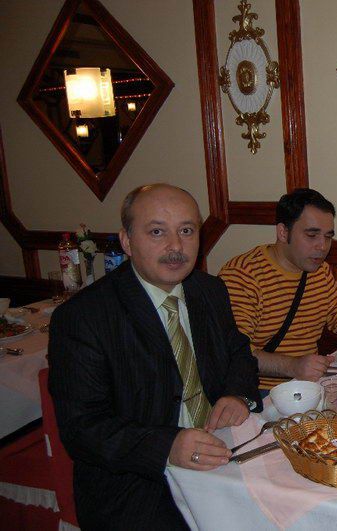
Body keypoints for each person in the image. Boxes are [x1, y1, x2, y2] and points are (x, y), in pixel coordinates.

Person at [48, 184, 261, 530]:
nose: (175, 246)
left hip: (221, 455)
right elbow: (82, 427)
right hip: (135, 485)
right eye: (157, 232)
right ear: (127, 241)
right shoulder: (84, 317)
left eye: (186, 231)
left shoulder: (209, 290)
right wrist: (167, 446)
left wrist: (237, 394)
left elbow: (238, 352)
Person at [219, 188, 337, 389]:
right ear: (283, 232)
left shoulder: (319, 271)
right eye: (312, 235)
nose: (322, 246)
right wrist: (293, 366)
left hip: (310, 388)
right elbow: (235, 352)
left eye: (328, 237)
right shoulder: (243, 275)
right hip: (258, 394)